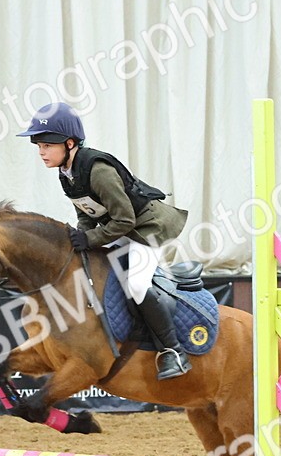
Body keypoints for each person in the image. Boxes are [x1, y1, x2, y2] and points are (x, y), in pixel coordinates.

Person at [16, 102, 192, 380]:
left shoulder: (98, 170)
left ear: (70, 143)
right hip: (122, 229)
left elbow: (125, 221)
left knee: (135, 284)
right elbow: (87, 211)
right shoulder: (66, 173)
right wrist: (79, 237)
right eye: (38, 146)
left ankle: (173, 351)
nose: (41, 152)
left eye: (47, 145)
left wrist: (90, 238)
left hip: (148, 228)